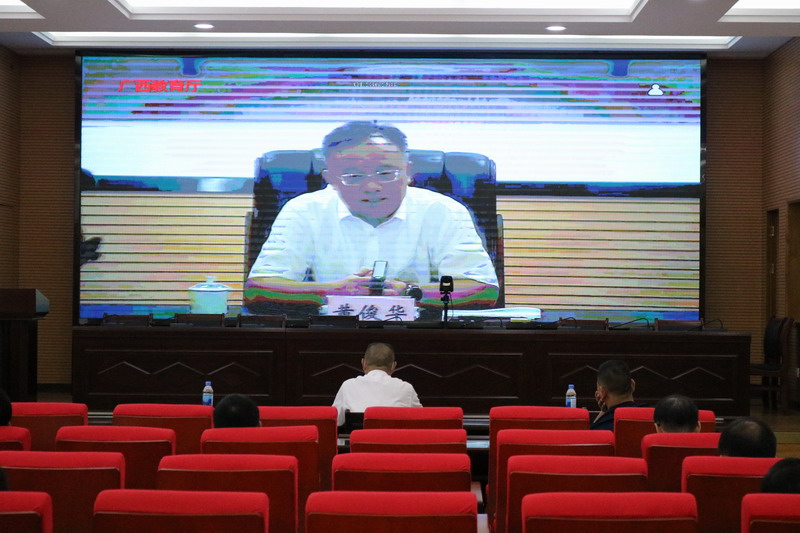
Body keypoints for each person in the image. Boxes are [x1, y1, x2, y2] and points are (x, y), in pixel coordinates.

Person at [244, 121, 499, 315]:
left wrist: (411, 292)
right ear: (330, 178)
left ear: (408, 172)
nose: (372, 187)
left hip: (421, 337)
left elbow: (482, 289)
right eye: (353, 176)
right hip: (330, 337)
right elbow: (259, 288)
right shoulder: (304, 210)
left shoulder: (443, 211)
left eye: (386, 173)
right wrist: (332, 291)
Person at [332, 342, 421, 426]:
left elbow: (335, 421)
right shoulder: (406, 388)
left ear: (363, 363)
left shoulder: (348, 385)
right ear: (393, 366)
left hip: (360, 437)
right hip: (393, 437)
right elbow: (421, 421)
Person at [590, 359, 641, 431]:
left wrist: (603, 413)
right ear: (633, 385)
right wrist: (605, 411)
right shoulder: (654, 416)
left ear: (602, 393)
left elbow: (591, 433)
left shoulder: (600, 427)